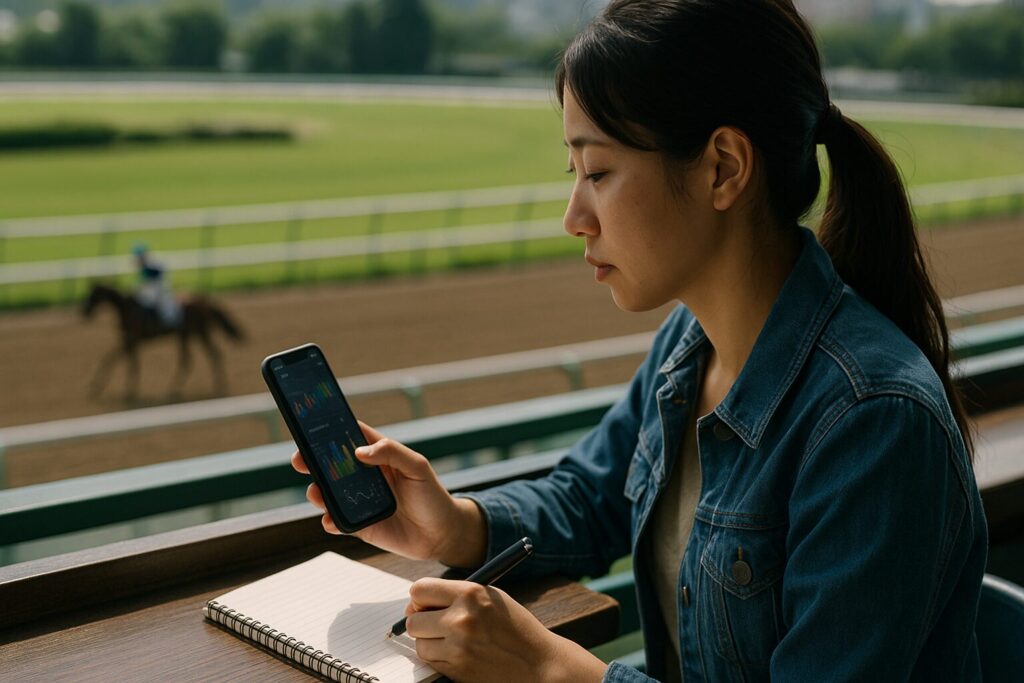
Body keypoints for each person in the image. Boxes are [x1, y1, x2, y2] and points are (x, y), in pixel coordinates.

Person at [292, 1, 988, 680]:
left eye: (597, 172)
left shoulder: (874, 420)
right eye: (575, 175)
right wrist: (452, 525)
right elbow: (594, 498)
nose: (574, 217)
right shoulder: (692, 339)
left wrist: (548, 667)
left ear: (723, 167)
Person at [132, 242, 182, 329]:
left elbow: (155, 279)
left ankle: (166, 323)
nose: (137, 259)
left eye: (139, 257)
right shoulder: (145, 266)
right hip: (151, 290)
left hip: (160, 290)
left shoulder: (152, 264)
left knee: (156, 304)